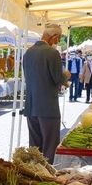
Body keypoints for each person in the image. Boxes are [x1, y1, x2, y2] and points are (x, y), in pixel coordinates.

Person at [23, 24, 70, 164]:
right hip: (48, 107)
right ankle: (47, 176)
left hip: (31, 106)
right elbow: (57, 78)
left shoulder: (28, 53)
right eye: (59, 38)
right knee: (50, 145)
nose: (58, 41)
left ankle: (34, 173)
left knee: (35, 146)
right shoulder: (52, 53)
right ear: (53, 37)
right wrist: (66, 76)